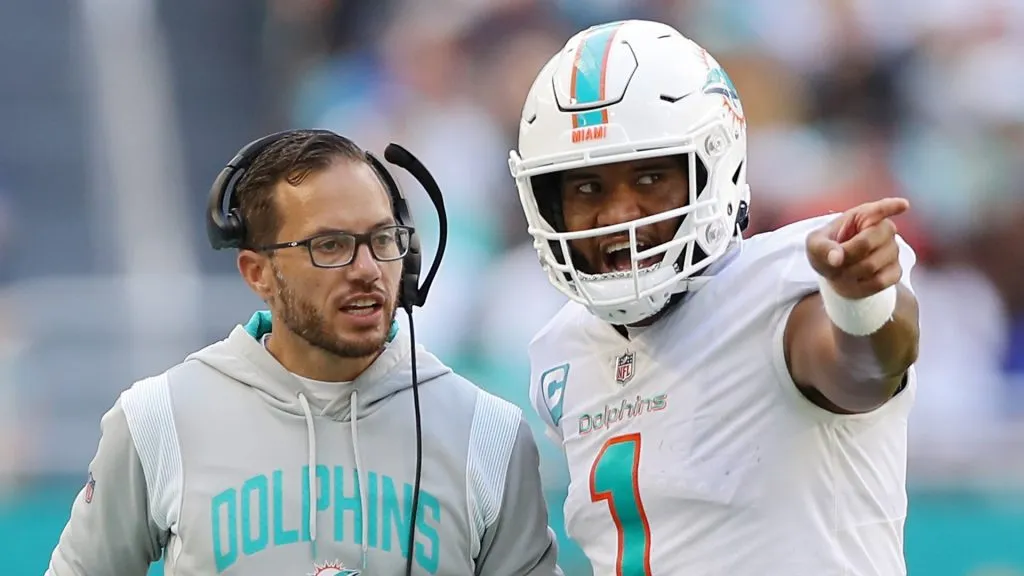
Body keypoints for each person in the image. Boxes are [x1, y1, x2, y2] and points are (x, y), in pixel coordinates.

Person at [47, 130, 562, 575]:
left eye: (383, 239)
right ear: (257, 273)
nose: (367, 268)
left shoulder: (489, 433)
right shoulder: (155, 421)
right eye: (330, 245)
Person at [509, 20, 921, 575]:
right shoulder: (559, 351)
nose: (619, 214)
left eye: (651, 176)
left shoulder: (781, 288)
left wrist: (859, 300)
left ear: (712, 170)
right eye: (587, 187)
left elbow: (866, 369)